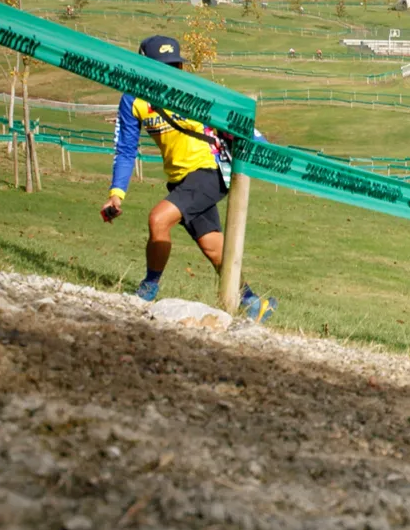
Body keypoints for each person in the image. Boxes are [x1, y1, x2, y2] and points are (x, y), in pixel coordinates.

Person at [100, 34, 277, 323]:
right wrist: (116, 194)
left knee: (158, 219)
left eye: (175, 65)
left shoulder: (196, 91)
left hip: (211, 172)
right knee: (213, 247)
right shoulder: (133, 99)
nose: (171, 72)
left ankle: (147, 289)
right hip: (179, 179)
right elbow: (126, 149)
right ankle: (254, 303)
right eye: (163, 66)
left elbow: (237, 121)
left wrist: (266, 150)